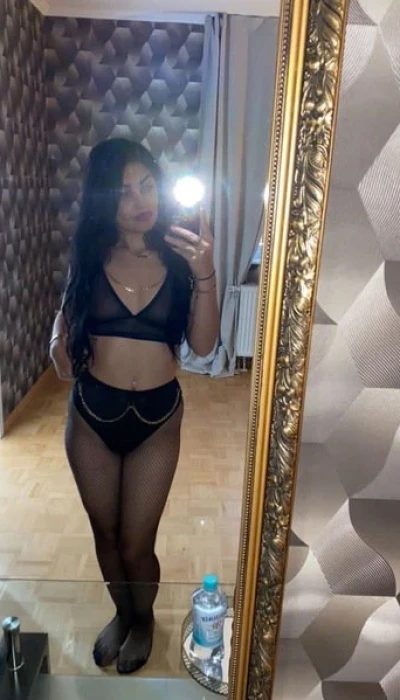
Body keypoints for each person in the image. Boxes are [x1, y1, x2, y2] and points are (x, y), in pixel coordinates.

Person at [49, 139, 219, 674]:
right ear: (104, 199)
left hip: (157, 421)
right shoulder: (91, 255)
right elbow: (65, 317)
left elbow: (205, 346)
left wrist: (207, 270)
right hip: (91, 417)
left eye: (147, 184)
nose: (140, 200)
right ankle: (123, 614)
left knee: (135, 541)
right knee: (104, 534)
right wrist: (56, 342)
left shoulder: (183, 258)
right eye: (123, 191)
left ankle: (143, 621)